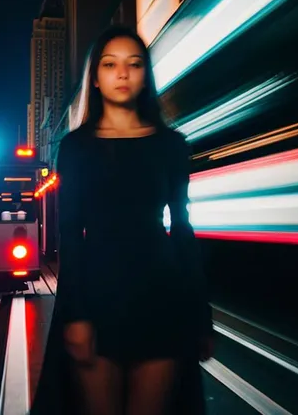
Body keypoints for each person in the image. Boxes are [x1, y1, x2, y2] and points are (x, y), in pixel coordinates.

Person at [31, 25, 214, 415]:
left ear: (146, 75)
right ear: (95, 78)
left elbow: (182, 230)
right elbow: (70, 234)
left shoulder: (171, 145)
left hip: (161, 298)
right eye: (110, 64)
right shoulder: (76, 147)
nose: (123, 73)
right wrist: (75, 314)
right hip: (97, 297)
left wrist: (201, 317)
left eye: (134, 64)